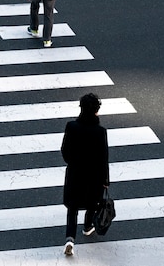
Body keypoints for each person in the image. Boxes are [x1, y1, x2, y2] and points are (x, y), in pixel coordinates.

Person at [61, 93, 110, 256]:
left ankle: (69, 239)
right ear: (96, 111)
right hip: (94, 176)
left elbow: (65, 151)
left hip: (75, 173)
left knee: (72, 208)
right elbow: (104, 157)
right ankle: (88, 227)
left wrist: (73, 162)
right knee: (92, 203)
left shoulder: (71, 126)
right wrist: (105, 180)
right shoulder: (100, 131)